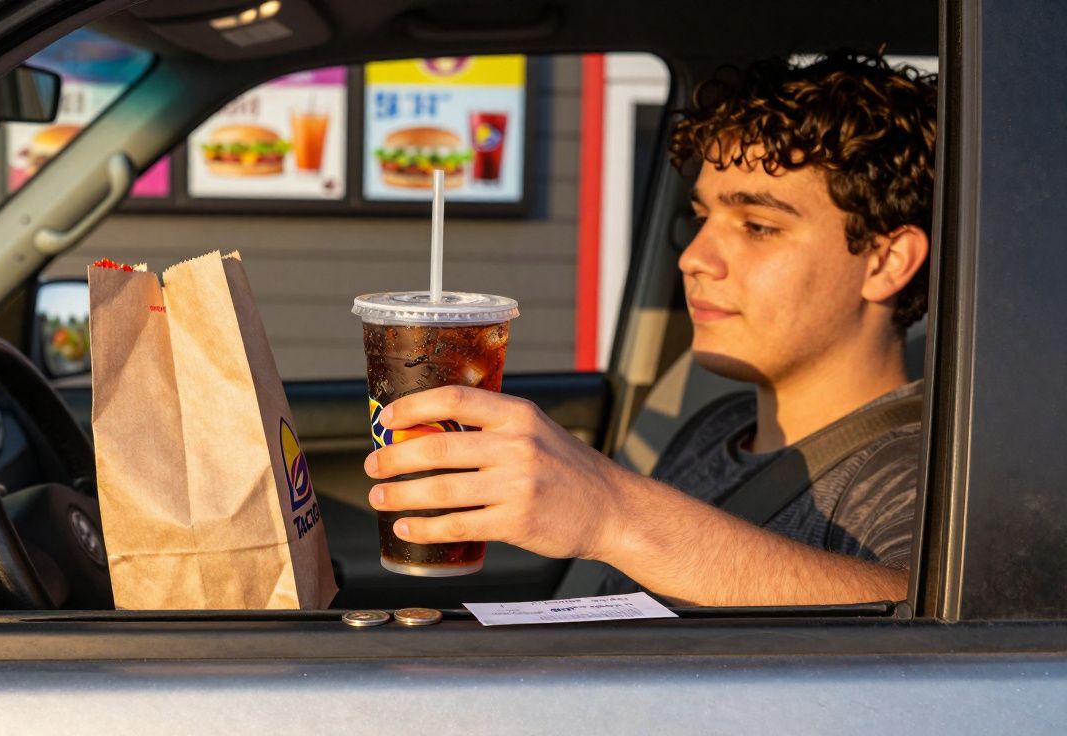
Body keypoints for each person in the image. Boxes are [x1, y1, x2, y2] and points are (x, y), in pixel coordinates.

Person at [363, 51, 937, 606]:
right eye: (703, 219)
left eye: (758, 225)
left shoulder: (922, 471)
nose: (695, 258)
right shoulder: (716, 427)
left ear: (885, 262)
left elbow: (935, 626)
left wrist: (610, 509)